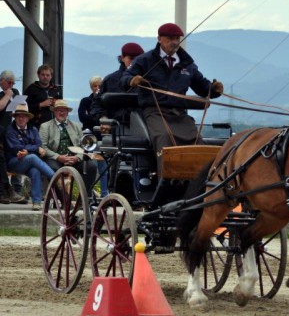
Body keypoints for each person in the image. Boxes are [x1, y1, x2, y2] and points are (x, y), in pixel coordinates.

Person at [120, 23, 224, 175]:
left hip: (180, 115)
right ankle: (166, 181)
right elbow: (125, 78)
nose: (175, 42)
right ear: (159, 39)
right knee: (164, 138)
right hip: (155, 112)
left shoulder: (188, 64)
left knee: (197, 142)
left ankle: (199, 185)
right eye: (170, 38)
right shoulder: (145, 60)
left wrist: (214, 89)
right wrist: (133, 80)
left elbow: (203, 88)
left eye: (177, 38)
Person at [39, 100, 98, 196]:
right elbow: (43, 147)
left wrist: (77, 157)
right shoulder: (45, 126)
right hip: (55, 159)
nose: (61, 112)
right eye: (58, 110)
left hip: (74, 159)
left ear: (67, 112)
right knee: (52, 169)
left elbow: (83, 146)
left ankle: (84, 197)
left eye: (64, 110)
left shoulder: (77, 126)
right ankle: (63, 199)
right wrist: (59, 157)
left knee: (91, 167)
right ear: (54, 112)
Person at [5, 104, 55, 210]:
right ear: (15, 117)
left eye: (24, 116)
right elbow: (16, 147)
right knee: (32, 157)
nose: (21, 118)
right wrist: (34, 149)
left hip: (29, 162)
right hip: (14, 162)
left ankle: (36, 202)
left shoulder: (33, 129)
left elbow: (38, 143)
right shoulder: (10, 130)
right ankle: (54, 177)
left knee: (35, 170)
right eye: (18, 116)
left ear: (28, 118)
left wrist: (28, 150)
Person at [90, 42, 144, 123]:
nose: (134, 62)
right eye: (131, 58)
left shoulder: (149, 80)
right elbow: (97, 104)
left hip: (147, 126)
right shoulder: (110, 80)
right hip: (117, 127)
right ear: (123, 58)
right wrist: (103, 118)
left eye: (137, 59)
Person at [78, 75, 108, 197]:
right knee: (89, 166)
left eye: (99, 86)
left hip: (102, 137)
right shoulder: (86, 101)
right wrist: (97, 119)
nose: (97, 88)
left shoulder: (106, 100)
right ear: (91, 88)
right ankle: (88, 193)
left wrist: (91, 117)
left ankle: (104, 193)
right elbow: (82, 117)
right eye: (95, 86)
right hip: (89, 137)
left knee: (103, 167)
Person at [23, 64, 61, 129]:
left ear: (51, 76)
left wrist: (57, 104)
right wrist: (40, 105)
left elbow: (61, 106)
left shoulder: (56, 89)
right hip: (35, 126)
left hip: (53, 125)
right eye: (43, 75)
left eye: (47, 75)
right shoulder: (31, 89)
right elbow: (23, 108)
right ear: (38, 75)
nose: (45, 77)